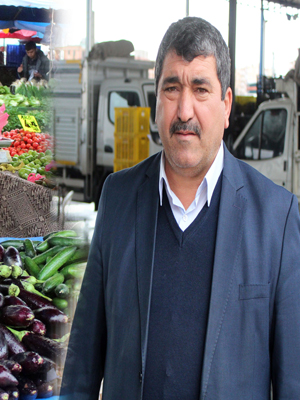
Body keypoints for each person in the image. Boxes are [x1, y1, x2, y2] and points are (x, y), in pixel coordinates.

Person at [60, 16, 300, 400]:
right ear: (157, 101)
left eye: (201, 89)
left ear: (226, 105)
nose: (184, 111)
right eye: (172, 88)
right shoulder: (118, 198)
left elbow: (293, 381)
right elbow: (83, 361)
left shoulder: (277, 216)